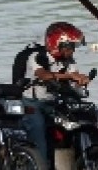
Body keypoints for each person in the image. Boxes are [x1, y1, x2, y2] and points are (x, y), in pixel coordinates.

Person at [21, 21, 91, 166]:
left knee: (71, 127)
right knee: (39, 137)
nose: (72, 51)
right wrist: (70, 77)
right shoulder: (37, 56)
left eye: (72, 47)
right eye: (69, 47)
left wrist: (80, 82)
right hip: (32, 103)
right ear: (56, 44)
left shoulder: (68, 61)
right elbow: (44, 75)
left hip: (53, 102)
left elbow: (74, 76)